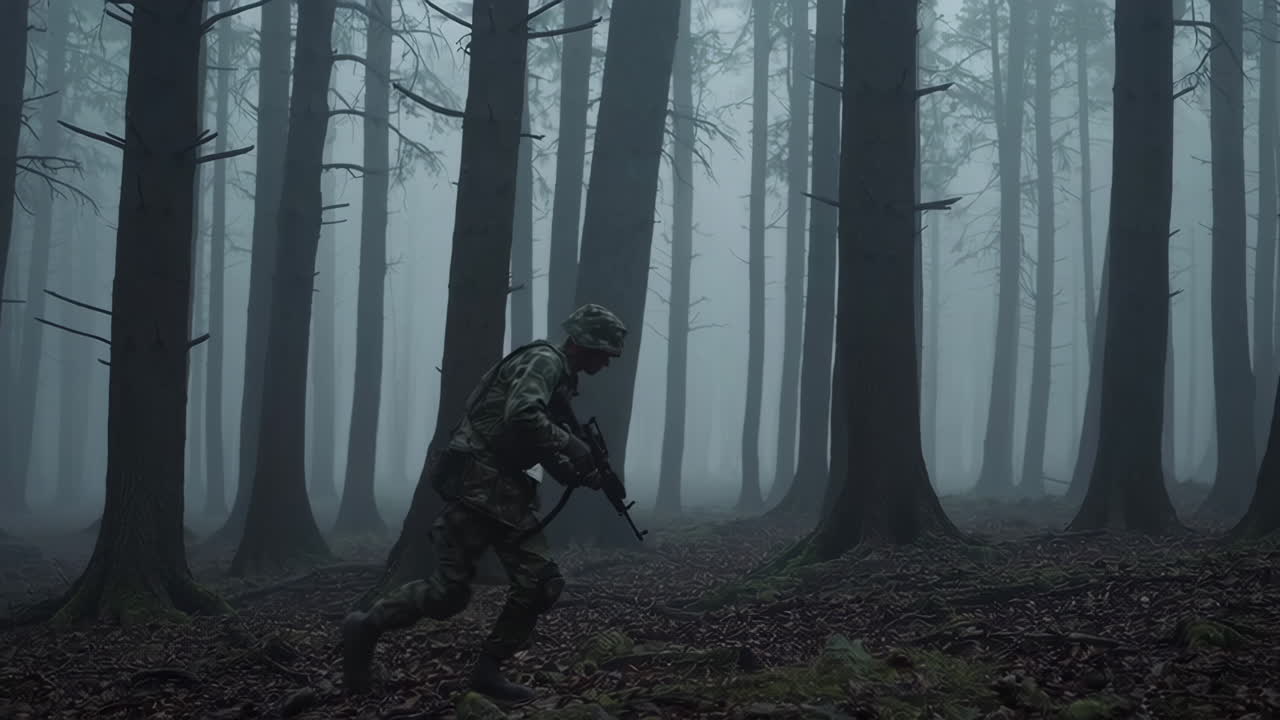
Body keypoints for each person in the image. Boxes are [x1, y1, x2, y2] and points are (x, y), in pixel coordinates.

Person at [341, 303, 628, 701]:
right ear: (587, 344)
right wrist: (573, 446)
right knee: (492, 588)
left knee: (497, 589)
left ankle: (474, 667)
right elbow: (522, 415)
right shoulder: (546, 362)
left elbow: (529, 435)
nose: (607, 364)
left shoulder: (558, 373)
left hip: (500, 489)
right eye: (605, 354)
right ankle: (374, 630)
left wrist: (570, 472)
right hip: (481, 486)